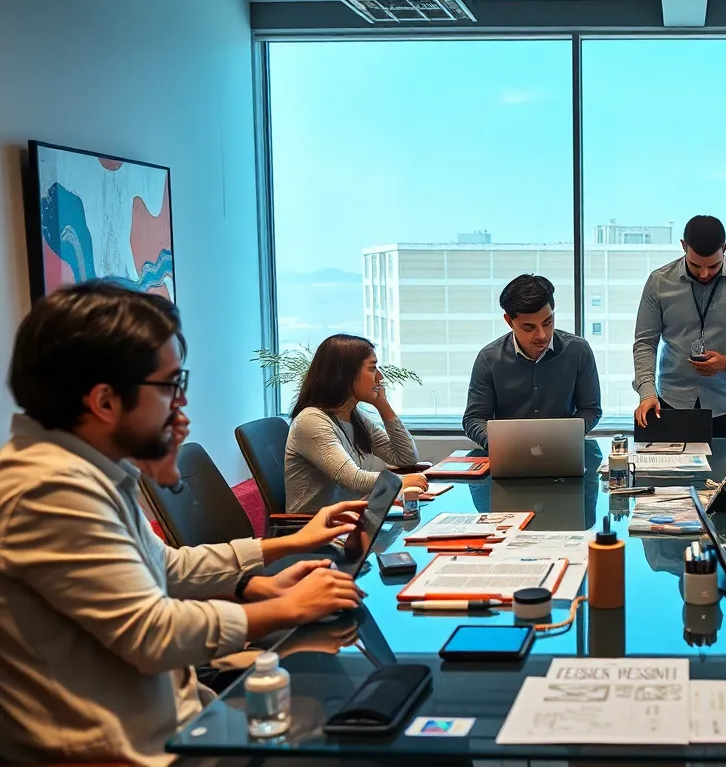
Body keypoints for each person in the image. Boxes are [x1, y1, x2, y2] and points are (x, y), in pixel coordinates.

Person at [0, 281, 366, 766]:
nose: (182, 405)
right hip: (135, 752)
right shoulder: (49, 489)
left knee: (367, 713)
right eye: (171, 385)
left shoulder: (89, 469)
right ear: (105, 401)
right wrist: (287, 609)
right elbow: (151, 633)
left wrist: (259, 581)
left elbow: (165, 566)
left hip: (180, 720)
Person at [633, 215, 726, 437]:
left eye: (713, 265)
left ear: (725, 247)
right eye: (696, 265)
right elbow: (645, 343)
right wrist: (647, 393)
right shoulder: (659, 282)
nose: (704, 273)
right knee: (668, 473)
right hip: (670, 403)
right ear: (683, 246)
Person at [285, 333, 425, 516]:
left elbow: (406, 457)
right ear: (345, 375)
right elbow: (354, 480)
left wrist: (382, 405)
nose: (380, 377)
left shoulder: (353, 418)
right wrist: (401, 481)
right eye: (373, 368)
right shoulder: (311, 421)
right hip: (315, 531)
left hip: (351, 521)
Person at [463, 274, 602, 450]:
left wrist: (564, 436)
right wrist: (500, 444)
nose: (542, 335)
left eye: (547, 322)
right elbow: (474, 419)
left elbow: (591, 409)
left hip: (563, 451)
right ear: (509, 321)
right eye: (529, 327)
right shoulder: (488, 359)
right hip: (508, 455)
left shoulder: (578, 351)